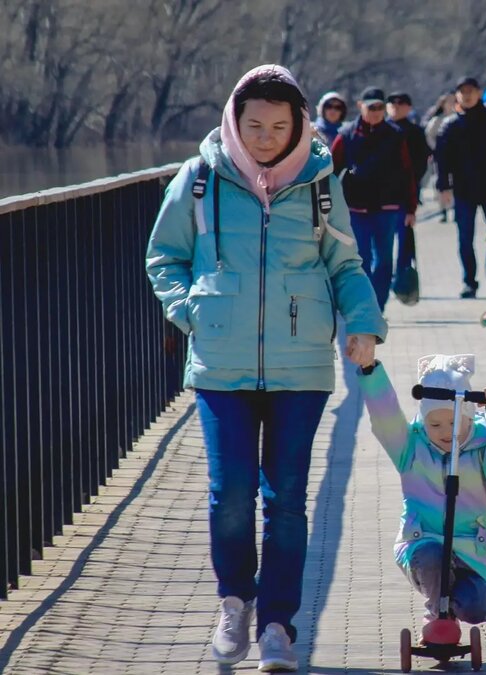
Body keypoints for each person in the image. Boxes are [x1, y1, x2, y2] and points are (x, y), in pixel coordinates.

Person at [146, 65, 386, 672]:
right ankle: (236, 602)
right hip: (220, 365)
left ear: (299, 125)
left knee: (285, 501)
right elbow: (163, 257)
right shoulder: (200, 178)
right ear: (234, 119)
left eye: (279, 126)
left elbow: (347, 266)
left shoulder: (319, 181)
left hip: (300, 368)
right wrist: (189, 310)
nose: (265, 137)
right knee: (230, 495)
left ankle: (278, 624)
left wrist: (364, 325)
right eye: (254, 124)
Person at [358, 354, 486, 641]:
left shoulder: (483, 452)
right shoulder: (410, 448)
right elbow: (386, 417)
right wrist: (372, 373)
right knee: (433, 558)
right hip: (424, 540)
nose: (446, 432)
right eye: (435, 425)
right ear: (423, 422)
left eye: (453, 422)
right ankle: (437, 614)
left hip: (471, 550)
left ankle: (452, 610)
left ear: (469, 418)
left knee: (476, 607)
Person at [330, 86, 418, 311]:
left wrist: (410, 208)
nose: (376, 111)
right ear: (361, 106)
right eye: (372, 107)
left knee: (384, 261)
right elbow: (330, 169)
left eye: (380, 107)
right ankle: (364, 306)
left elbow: (408, 173)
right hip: (356, 208)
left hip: (386, 207)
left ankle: (377, 307)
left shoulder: (395, 135)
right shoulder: (347, 134)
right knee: (361, 260)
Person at [436, 76, 486, 299]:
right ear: (457, 96)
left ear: (479, 93)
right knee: (465, 238)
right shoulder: (450, 125)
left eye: (471, 90)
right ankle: (469, 281)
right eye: (463, 91)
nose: (467, 94)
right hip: (464, 190)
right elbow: (442, 160)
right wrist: (444, 187)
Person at [386, 91, 430, 305]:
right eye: (392, 102)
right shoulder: (379, 130)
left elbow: (421, 162)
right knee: (382, 242)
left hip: (404, 195)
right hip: (379, 198)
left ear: (409, 107)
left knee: (404, 239)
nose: (396, 106)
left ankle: (401, 277)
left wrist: (411, 187)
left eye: (402, 103)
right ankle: (386, 278)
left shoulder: (414, 132)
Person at [424, 93, 457, 222]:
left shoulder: (457, 118)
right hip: (441, 156)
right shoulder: (437, 120)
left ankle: (455, 208)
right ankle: (443, 210)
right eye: (448, 102)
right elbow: (429, 135)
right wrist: (436, 148)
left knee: (455, 182)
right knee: (441, 184)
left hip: (456, 155)